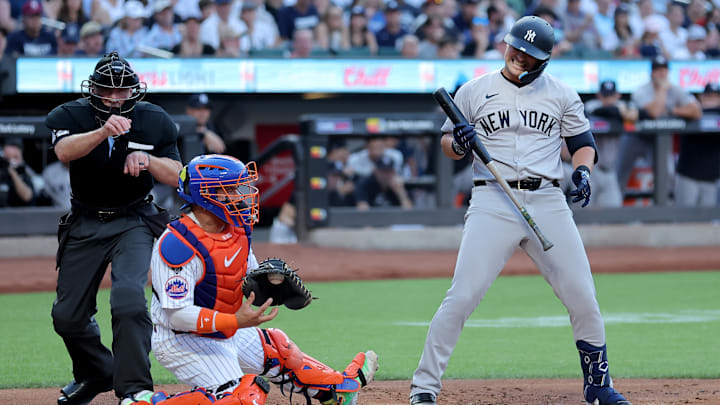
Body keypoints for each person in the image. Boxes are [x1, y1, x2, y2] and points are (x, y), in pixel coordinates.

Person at [409, 17, 631, 405]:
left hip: (547, 199)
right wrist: (459, 144)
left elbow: (583, 142)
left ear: (543, 60)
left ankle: (598, 386)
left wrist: (582, 169)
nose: (518, 56)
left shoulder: (562, 94)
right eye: (515, 48)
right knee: (462, 296)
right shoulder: (475, 90)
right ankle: (424, 388)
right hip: (492, 199)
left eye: (528, 54)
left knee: (583, 296)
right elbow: (447, 143)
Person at [150, 154, 378, 404]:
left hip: (226, 329)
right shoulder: (177, 244)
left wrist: (270, 284)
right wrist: (235, 319)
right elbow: (178, 314)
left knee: (279, 349)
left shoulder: (237, 227)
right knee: (243, 398)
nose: (241, 195)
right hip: (182, 340)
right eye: (231, 189)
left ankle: (338, 391)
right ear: (206, 197)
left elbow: (246, 279)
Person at [45, 51, 183, 405]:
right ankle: (97, 373)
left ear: (136, 91)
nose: (115, 98)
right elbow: (63, 151)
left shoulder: (155, 120)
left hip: (134, 220)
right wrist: (103, 130)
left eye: (123, 92)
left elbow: (178, 175)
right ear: (93, 89)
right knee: (67, 316)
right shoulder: (71, 115)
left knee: (128, 302)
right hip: (86, 220)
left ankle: (134, 389)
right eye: (107, 89)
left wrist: (149, 160)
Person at [615, 56, 702, 197]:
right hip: (636, 137)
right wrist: (662, 90)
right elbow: (655, 112)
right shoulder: (642, 90)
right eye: (658, 70)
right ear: (651, 73)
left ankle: (666, 212)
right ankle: (616, 207)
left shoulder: (675, 89)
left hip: (658, 139)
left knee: (667, 174)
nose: (661, 74)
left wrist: (673, 110)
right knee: (620, 173)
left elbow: (697, 112)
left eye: (664, 70)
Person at [578, 79, 638, 207]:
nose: (608, 100)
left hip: (610, 171)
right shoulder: (592, 106)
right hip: (591, 171)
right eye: (605, 96)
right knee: (583, 212)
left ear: (618, 95)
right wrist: (620, 112)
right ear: (599, 95)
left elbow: (636, 115)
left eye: (611, 96)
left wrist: (622, 112)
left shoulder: (624, 106)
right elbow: (602, 111)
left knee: (614, 212)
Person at [674, 82, 720, 206]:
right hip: (688, 176)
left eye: (715, 97)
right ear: (701, 97)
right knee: (683, 219)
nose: (711, 100)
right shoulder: (691, 111)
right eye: (708, 96)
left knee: (708, 221)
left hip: (712, 179)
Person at [0, 137, 35, 207]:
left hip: (19, 215)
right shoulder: (2, 170)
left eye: (15, 157)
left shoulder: (25, 171)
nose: (11, 161)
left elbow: (27, 196)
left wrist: (13, 173)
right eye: (7, 158)